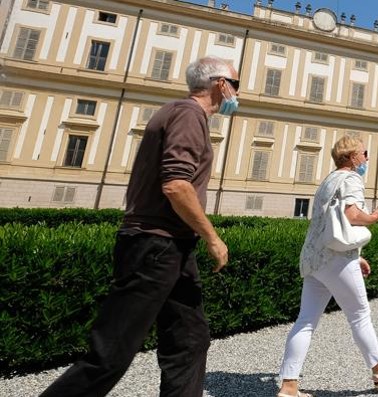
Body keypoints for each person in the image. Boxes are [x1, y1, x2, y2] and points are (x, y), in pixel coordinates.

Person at [39, 56, 234, 397]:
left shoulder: (177, 112)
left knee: (189, 339)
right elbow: (176, 184)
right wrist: (212, 236)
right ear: (220, 85)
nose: (236, 94)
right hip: (154, 244)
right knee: (111, 353)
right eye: (236, 84)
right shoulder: (189, 114)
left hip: (172, 244)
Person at [278, 136, 378, 396]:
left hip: (314, 259)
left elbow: (329, 223)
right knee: (359, 315)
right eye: (364, 153)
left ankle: (289, 386)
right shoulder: (352, 179)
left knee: (305, 320)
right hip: (336, 259)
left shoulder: (328, 181)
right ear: (352, 157)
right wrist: (372, 217)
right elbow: (351, 215)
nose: (366, 158)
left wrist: (356, 256)